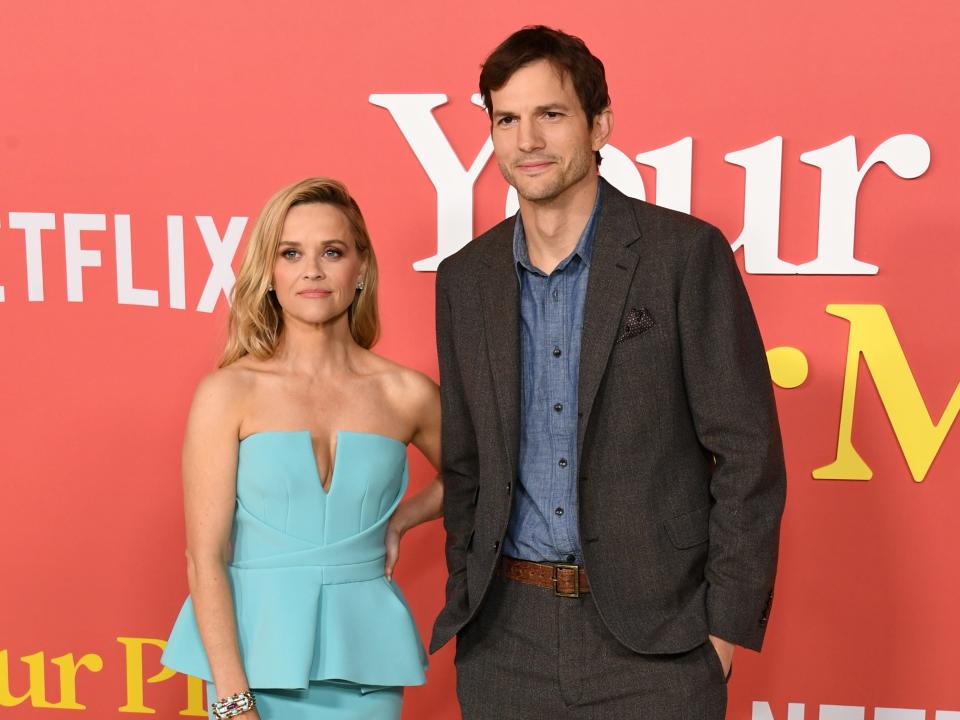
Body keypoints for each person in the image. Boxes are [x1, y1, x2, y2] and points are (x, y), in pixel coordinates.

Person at [430, 26, 787, 719]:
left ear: (600, 125)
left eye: (551, 114)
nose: (527, 140)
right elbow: (466, 465)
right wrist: (467, 603)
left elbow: (749, 453)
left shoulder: (682, 255)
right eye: (507, 119)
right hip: (505, 641)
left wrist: (720, 632)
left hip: (658, 644)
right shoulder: (464, 280)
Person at [161, 177, 443, 720]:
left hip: (364, 665)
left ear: (361, 268)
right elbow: (205, 559)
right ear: (270, 272)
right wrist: (233, 700)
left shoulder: (406, 393)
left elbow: (482, 476)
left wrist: (403, 520)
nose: (312, 270)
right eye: (291, 253)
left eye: (331, 252)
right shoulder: (228, 392)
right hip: (247, 663)